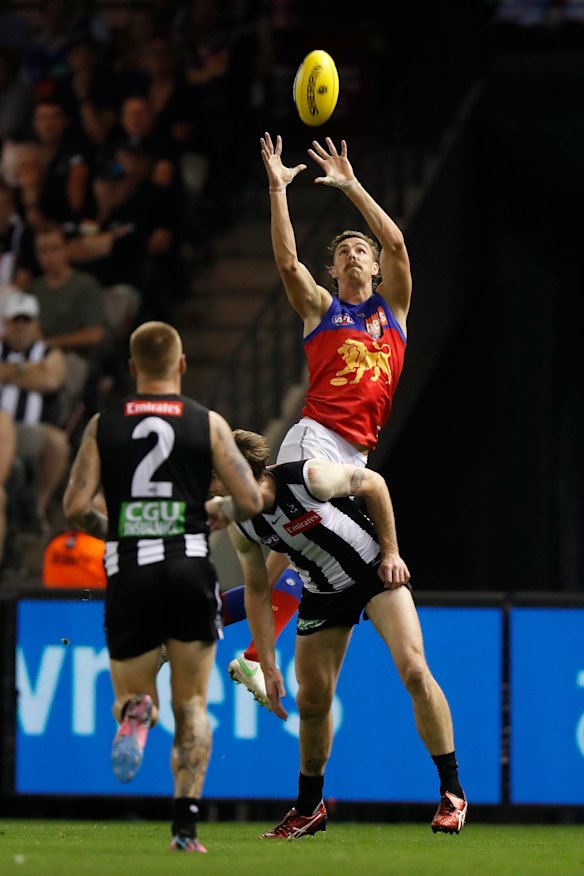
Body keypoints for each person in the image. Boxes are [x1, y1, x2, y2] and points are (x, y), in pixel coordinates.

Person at [63, 320, 262, 853]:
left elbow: (75, 507)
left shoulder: (104, 423)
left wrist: (119, 529)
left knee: (131, 690)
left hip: (128, 568)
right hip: (189, 566)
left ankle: (135, 711)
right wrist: (215, 509)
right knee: (193, 704)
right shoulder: (208, 422)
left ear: (132, 369)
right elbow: (250, 499)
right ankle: (185, 828)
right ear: (181, 365)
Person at [207, 429, 467, 838]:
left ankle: (452, 792)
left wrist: (392, 553)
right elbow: (258, 591)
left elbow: (375, 485)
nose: (211, 490)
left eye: (214, 478)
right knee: (312, 702)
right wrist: (267, 663)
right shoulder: (242, 524)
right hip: (321, 591)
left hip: (373, 574)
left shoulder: (308, 477)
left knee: (415, 671)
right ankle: (309, 808)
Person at [228, 132, 413, 703]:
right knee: (302, 553)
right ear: (332, 271)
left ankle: (207, 629)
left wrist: (353, 186)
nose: (354, 254)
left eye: (362, 250)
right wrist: (278, 189)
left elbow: (399, 242)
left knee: (285, 559)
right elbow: (286, 261)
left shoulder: (394, 311)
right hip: (314, 442)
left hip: (352, 456)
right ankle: (252, 655)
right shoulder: (322, 311)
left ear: (377, 269)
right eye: (342, 253)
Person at [0, 290, 69, 532]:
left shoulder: (49, 352)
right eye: (15, 320)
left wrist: (8, 372)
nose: (20, 327)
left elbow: (51, 380)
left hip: (29, 430)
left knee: (58, 443)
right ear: (6, 323)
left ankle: (38, 507)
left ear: (35, 323)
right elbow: (41, 377)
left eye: (25, 320)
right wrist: (28, 371)